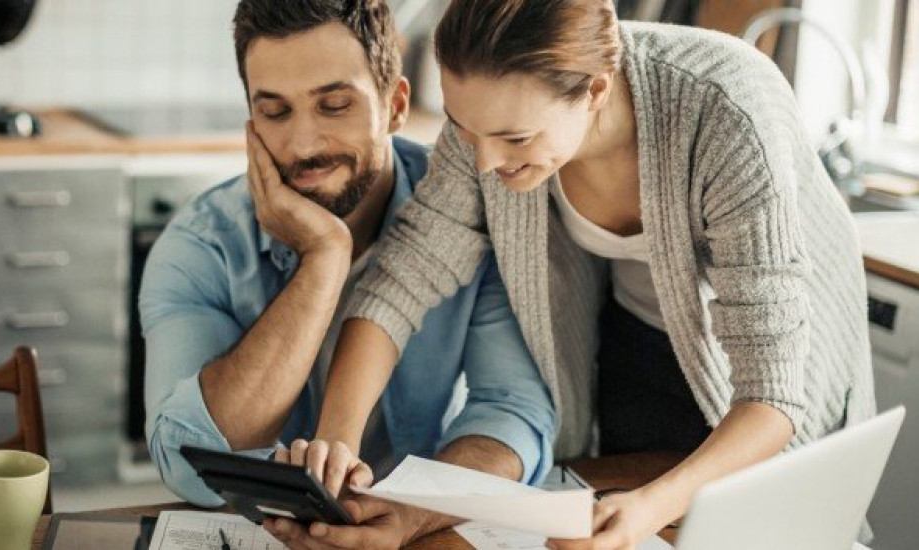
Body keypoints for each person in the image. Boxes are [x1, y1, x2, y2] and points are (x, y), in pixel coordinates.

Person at [298, 1, 877, 549]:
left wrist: (649, 507)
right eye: (464, 129)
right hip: (639, 341)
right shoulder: (490, 118)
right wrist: (337, 445)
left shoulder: (726, 111)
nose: (484, 162)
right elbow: (405, 276)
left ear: (596, 89)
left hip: (772, 375)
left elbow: (772, 395)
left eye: (515, 139)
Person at [140, 1, 556, 547]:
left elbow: (512, 414)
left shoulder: (473, 216)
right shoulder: (201, 245)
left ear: (396, 105)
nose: (304, 145)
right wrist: (325, 258)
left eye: (334, 106)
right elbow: (186, 458)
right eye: (275, 112)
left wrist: (413, 511)